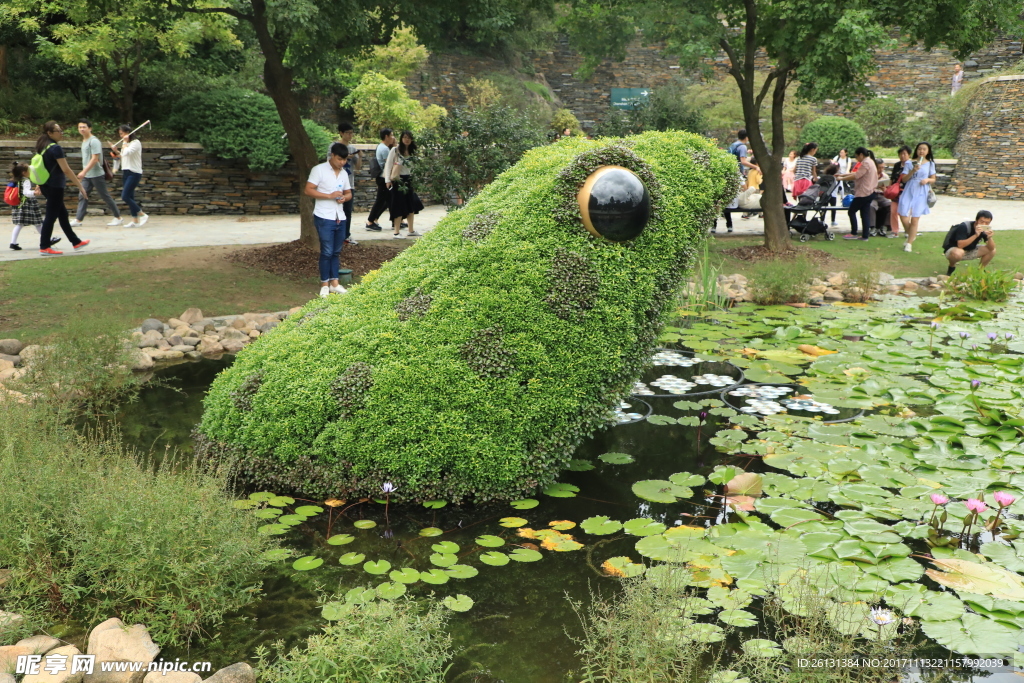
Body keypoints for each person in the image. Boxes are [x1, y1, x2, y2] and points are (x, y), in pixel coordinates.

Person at [34, 121, 89, 256]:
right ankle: (44, 246)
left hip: (46, 185)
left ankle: (75, 241)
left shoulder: (43, 146)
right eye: (58, 131)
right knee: (51, 216)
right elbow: (66, 170)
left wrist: (38, 184)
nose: (61, 133)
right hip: (55, 186)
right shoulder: (55, 148)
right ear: (50, 133)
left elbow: (40, 167)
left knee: (62, 214)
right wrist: (80, 185)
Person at [305, 143, 352, 298]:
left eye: (344, 159)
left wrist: (344, 198)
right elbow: (308, 190)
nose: (342, 162)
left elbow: (349, 193)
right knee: (326, 251)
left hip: (340, 217)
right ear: (332, 155)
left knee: (336, 252)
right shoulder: (319, 170)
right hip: (324, 216)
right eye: (339, 159)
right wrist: (329, 196)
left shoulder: (344, 173)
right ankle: (324, 284)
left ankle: (335, 284)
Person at [70, 119, 122, 228]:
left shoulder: (94, 141)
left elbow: (95, 159)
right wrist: (85, 172)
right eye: (80, 127)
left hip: (96, 174)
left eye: (84, 127)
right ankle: (78, 220)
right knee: (82, 195)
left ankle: (118, 218)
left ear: (90, 128)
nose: (82, 129)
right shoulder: (84, 141)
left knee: (105, 196)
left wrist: (83, 171)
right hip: (87, 175)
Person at [8, 162, 59, 250]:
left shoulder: (16, 180)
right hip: (28, 205)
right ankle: (48, 240)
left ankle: (13, 242)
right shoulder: (26, 180)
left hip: (19, 204)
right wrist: (34, 193)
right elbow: (26, 193)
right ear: (24, 172)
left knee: (20, 224)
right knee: (38, 223)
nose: (30, 172)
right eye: (29, 170)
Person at [897, 141, 937, 253]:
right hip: (909, 189)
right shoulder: (909, 163)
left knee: (915, 218)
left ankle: (909, 243)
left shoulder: (930, 164)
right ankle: (911, 234)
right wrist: (913, 170)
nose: (921, 151)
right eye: (920, 149)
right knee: (903, 213)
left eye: (924, 149)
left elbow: (933, 179)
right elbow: (904, 179)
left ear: (928, 151)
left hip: (922, 191)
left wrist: (927, 180)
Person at [384, 130, 424, 239]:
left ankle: (411, 230)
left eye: (409, 138)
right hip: (398, 180)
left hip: (409, 179)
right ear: (401, 138)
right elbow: (388, 165)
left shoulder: (413, 151)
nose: (407, 139)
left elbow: (416, 166)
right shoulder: (395, 150)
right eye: (405, 137)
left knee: (411, 205)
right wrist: (387, 180)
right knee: (398, 205)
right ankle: (396, 232)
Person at [109, 124, 148, 227]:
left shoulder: (136, 143)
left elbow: (127, 152)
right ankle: (135, 220)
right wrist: (116, 151)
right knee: (130, 196)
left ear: (127, 133)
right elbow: (122, 155)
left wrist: (125, 143)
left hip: (134, 172)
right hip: (126, 171)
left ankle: (142, 214)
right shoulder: (125, 143)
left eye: (122, 134)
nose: (121, 136)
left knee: (125, 196)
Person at [836, 147, 877, 241]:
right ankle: (865, 236)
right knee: (864, 214)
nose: (856, 159)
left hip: (863, 193)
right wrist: (843, 175)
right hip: (870, 192)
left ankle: (854, 232)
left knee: (851, 211)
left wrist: (841, 179)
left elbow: (856, 175)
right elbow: (857, 173)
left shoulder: (866, 163)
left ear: (861, 155)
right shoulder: (870, 161)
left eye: (856, 156)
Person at [330, 122, 361, 246]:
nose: (350, 135)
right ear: (341, 133)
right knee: (334, 210)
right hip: (335, 183)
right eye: (347, 133)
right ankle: (333, 235)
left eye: (351, 133)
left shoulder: (353, 148)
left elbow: (358, 167)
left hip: (349, 183)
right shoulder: (334, 146)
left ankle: (346, 235)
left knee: (347, 211)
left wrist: (359, 156)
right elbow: (329, 162)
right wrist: (344, 157)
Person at [944, 210, 996, 275]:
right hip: (954, 250)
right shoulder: (964, 226)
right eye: (982, 221)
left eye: (987, 223)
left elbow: (991, 248)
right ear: (976, 220)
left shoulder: (984, 229)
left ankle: (980, 271)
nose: (984, 224)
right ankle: (951, 267)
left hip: (970, 249)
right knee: (958, 253)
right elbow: (960, 245)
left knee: (992, 250)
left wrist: (990, 237)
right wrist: (976, 235)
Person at [364, 128, 395, 232]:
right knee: (380, 201)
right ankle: (370, 221)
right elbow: (389, 165)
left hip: (384, 178)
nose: (393, 138)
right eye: (391, 135)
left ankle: (395, 221)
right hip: (384, 178)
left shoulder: (382, 147)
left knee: (388, 200)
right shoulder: (384, 149)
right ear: (386, 136)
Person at [887, 146, 911, 238]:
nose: (902, 156)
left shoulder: (912, 165)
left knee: (904, 212)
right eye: (901, 154)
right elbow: (892, 178)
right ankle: (894, 231)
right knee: (893, 211)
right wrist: (889, 188)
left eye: (905, 154)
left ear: (909, 155)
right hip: (896, 192)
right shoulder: (897, 165)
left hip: (906, 192)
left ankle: (908, 231)